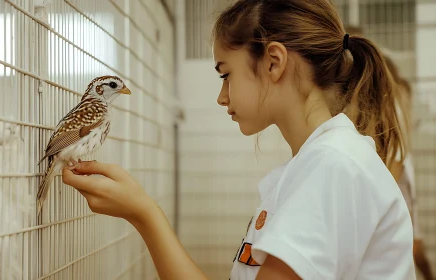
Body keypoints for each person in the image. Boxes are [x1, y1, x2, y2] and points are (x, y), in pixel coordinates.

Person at [61, 1, 416, 279]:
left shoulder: (333, 167)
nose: (221, 96)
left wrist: (144, 214)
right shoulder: (316, 164)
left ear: (274, 62)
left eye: (226, 74)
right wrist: (143, 213)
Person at [384, 54, 434, 280]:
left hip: (397, 180)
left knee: (412, 246)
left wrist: (378, 195)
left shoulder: (392, 101)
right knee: (414, 246)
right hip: (396, 178)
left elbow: (396, 158)